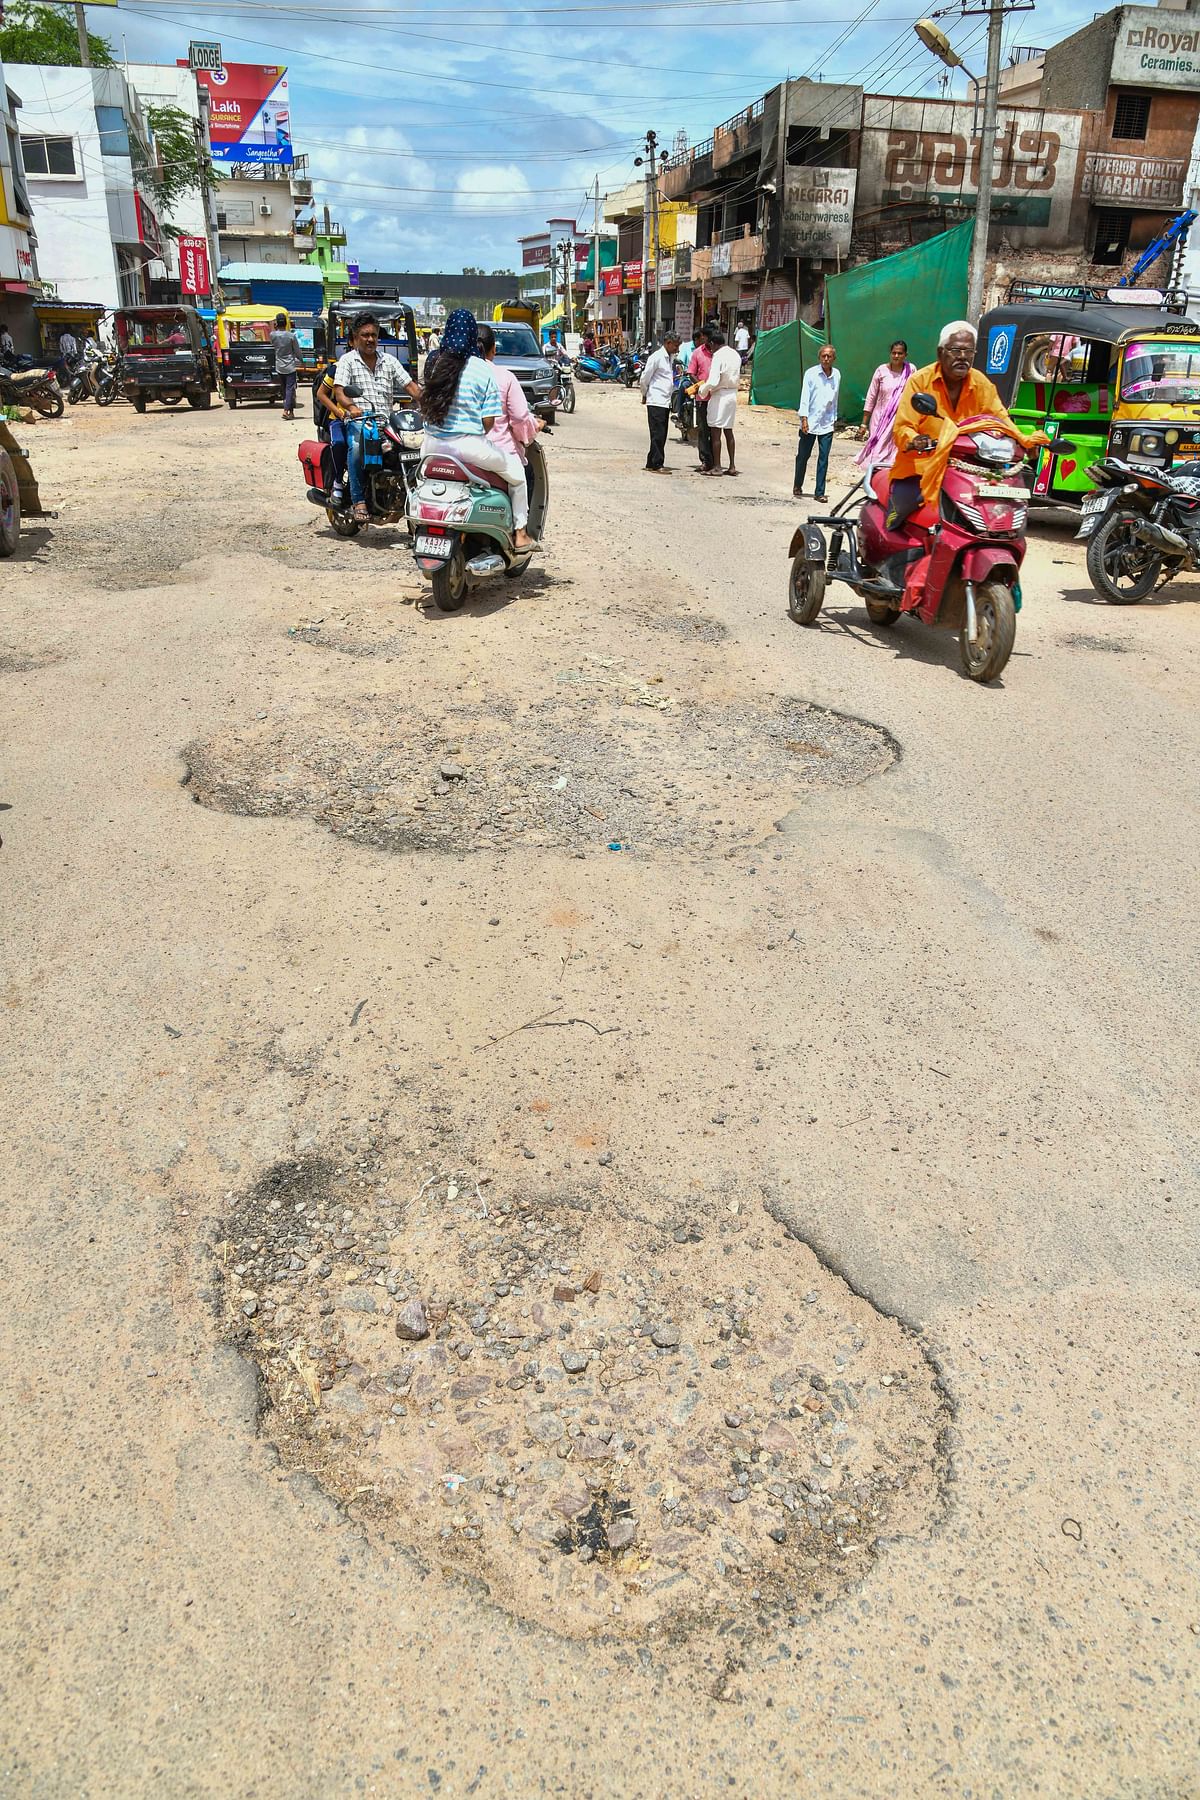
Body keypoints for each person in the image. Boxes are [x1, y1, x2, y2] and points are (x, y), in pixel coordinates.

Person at [888, 319, 1036, 526]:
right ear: (941, 353)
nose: (963, 357)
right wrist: (915, 440)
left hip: (968, 470)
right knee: (900, 517)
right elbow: (903, 427)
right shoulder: (920, 381)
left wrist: (1024, 440)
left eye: (969, 352)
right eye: (956, 350)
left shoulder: (981, 384)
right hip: (921, 468)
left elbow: (1001, 418)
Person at [420, 307, 538, 552]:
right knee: (517, 473)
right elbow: (488, 423)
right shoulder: (482, 369)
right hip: (468, 448)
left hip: (430, 448)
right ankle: (520, 532)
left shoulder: (434, 362)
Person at [334, 311, 422, 525]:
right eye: (365, 335)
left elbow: (410, 386)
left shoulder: (389, 361)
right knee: (356, 447)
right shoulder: (348, 361)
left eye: (373, 334)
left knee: (417, 449)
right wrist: (352, 407)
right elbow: (339, 391)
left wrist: (431, 403)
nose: (370, 339)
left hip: (387, 423)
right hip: (360, 422)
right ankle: (358, 500)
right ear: (355, 338)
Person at [478, 322, 544, 518]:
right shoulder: (503, 377)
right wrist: (532, 430)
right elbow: (520, 418)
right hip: (497, 452)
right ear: (493, 349)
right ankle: (521, 533)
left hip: (452, 451)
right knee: (526, 475)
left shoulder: (455, 373)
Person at [855, 339, 914, 474]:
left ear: (905, 355)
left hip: (899, 420)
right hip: (879, 419)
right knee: (878, 448)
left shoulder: (911, 371)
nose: (896, 356)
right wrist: (864, 424)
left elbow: (914, 394)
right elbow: (871, 397)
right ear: (890, 354)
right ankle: (873, 478)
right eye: (894, 353)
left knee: (894, 451)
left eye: (900, 353)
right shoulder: (881, 371)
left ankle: (888, 480)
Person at [795, 344, 840, 501]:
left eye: (829, 356)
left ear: (834, 358)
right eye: (823, 356)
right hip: (810, 421)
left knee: (824, 458)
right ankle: (797, 484)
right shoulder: (811, 374)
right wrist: (804, 419)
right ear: (819, 357)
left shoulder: (837, 375)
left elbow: (834, 399)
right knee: (803, 456)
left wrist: (834, 418)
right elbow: (805, 398)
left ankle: (819, 492)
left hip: (827, 423)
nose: (826, 359)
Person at [699, 329, 743, 476]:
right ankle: (732, 465)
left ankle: (717, 466)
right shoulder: (734, 354)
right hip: (732, 395)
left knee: (715, 431)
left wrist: (702, 390)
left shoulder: (718, 356)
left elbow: (713, 380)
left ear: (712, 343)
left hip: (720, 395)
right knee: (728, 431)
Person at [639, 330, 679, 473]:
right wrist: (644, 393)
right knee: (658, 433)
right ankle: (657, 464)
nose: (677, 349)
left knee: (660, 433)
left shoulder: (670, 358)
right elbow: (645, 378)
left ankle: (651, 462)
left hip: (664, 401)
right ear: (668, 343)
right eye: (675, 346)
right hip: (656, 400)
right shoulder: (656, 357)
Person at [687, 328, 715, 472]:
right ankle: (705, 460)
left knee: (715, 430)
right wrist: (700, 386)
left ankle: (716, 461)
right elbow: (691, 372)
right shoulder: (697, 353)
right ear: (703, 337)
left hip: (717, 397)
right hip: (702, 397)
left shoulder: (719, 353)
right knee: (703, 429)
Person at [269, 311, 303, 420]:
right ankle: (286, 410)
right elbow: (297, 351)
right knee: (290, 390)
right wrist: (302, 360)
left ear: (276, 324)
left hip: (279, 367)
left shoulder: (273, 335)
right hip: (290, 367)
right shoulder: (291, 336)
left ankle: (290, 412)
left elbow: (272, 345)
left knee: (285, 390)